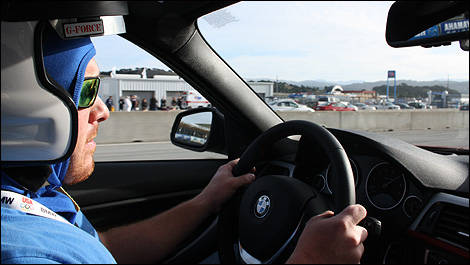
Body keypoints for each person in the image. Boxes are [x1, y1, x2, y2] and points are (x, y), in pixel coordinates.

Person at [1, 24, 368, 264]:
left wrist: (206, 201)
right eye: (88, 89)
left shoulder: (32, 195)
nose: (103, 110)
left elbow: (105, 248)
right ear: (27, 104)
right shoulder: (22, 252)